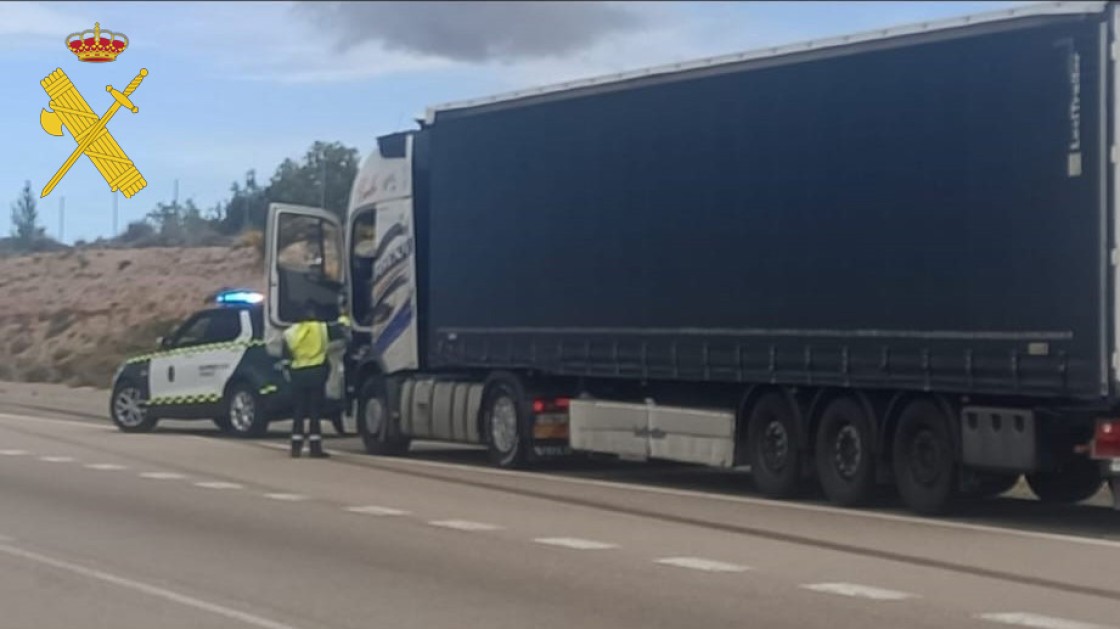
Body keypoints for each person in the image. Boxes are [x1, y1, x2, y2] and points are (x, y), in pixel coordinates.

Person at [283, 300, 332, 458]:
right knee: (314, 412)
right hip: (316, 374)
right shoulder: (321, 328)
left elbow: (285, 358)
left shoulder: (289, 333)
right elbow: (341, 332)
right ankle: (315, 448)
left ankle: (295, 448)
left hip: (298, 376)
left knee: (298, 411)